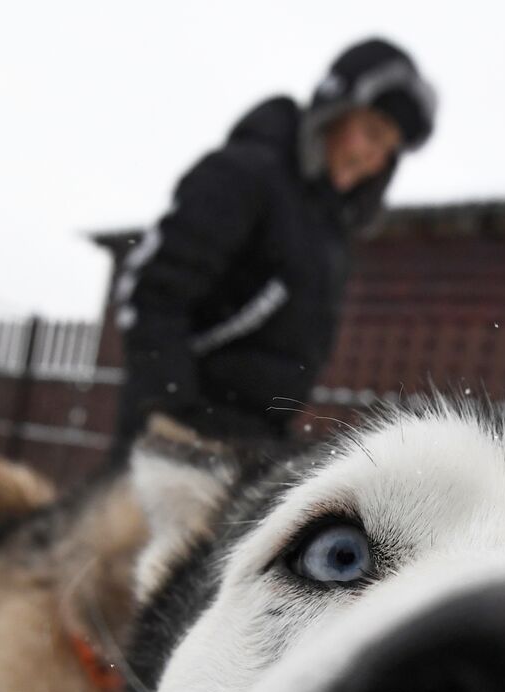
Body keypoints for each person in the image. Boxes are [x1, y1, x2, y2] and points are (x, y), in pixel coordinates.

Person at [112, 37, 436, 446]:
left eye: (390, 151)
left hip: (253, 442)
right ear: (332, 115)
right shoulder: (244, 177)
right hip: (176, 435)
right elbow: (152, 291)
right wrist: (170, 406)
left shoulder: (331, 232)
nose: (376, 159)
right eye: (371, 133)